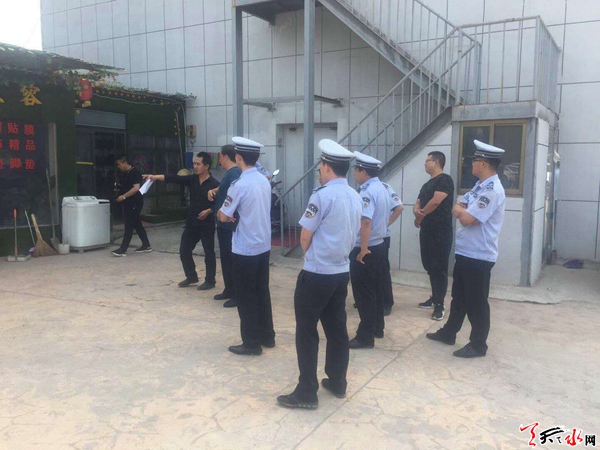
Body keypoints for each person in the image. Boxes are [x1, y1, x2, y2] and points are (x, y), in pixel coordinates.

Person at [277, 140, 362, 410]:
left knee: (306, 331)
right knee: (337, 330)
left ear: (326, 166)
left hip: (316, 274)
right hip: (340, 273)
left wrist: (313, 256)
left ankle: (306, 392)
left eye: (320, 167)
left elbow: (305, 236)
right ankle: (337, 381)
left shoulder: (321, 196)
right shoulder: (355, 196)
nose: (319, 172)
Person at [427, 140, 506, 358]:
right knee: (459, 297)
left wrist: (463, 212)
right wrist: (463, 211)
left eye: (475, 160)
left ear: (484, 163)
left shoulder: (492, 191)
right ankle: (449, 332)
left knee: (477, 302)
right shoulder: (479, 186)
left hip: (479, 255)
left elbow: (466, 218)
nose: (472, 164)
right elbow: (457, 207)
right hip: (466, 252)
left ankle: (478, 344)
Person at [218, 137, 275, 356]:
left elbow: (224, 216)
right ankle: (267, 336)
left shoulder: (239, 185)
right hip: (263, 246)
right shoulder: (263, 180)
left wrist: (222, 213)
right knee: (262, 292)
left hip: (244, 249)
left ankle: (251, 343)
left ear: (239, 157)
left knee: (245, 296)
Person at [143, 152, 220, 289]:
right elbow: (174, 178)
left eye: (198, 164)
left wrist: (209, 211)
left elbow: (220, 204)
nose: (195, 166)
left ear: (207, 166)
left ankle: (210, 280)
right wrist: (155, 177)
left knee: (209, 253)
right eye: (194, 163)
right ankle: (191, 276)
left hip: (206, 223)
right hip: (192, 222)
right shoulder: (192, 179)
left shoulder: (215, 184)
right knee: (184, 250)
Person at [349, 152, 389, 349]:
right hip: (379, 244)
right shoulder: (382, 187)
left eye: (356, 170)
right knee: (376, 290)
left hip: (367, 247)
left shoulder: (367, 192)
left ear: (363, 172)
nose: (355, 174)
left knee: (364, 294)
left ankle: (365, 337)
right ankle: (377, 327)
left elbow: (365, 221)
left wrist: (363, 249)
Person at [413, 151, 454, 321]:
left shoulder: (445, 180)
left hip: (440, 231)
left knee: (439, 268)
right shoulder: (426, 185)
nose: (425, 163)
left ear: (436, 162)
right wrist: (416, 211)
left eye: (427, 160)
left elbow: (436, 201)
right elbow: (418, 203)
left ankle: (439, 305)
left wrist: (420, 216)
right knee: (429, 265)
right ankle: (434, 297)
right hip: (427, 230)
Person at [208, 145, 242, 308]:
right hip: (223, 223)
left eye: (220, 157)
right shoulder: (230, 173)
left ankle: (236, 293)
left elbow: (236, 194)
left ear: (226, 157)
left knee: (231, 259)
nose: (218, 160)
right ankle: (229, 289)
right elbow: (226, 189)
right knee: (225, 258)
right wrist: (215, 190)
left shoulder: (234, 173)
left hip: (229, 225)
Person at [112, 155, 152, 256]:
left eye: (119, 164)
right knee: (137, 224)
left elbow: (135, 188)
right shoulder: (124, 173)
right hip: (128, 202)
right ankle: (146, 245)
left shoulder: (135, 172)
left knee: (129, 224)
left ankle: (123, 249)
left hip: (135, 202)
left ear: (125, 163)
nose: (118, 167)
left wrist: (123, 196)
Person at [381, 182, 404, 316]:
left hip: (381, 237)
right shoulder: (362, 189)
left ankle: (387, 302)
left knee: (382, 270)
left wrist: (386, 224)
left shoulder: (385, 187)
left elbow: (399, 207)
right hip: (364, 239)